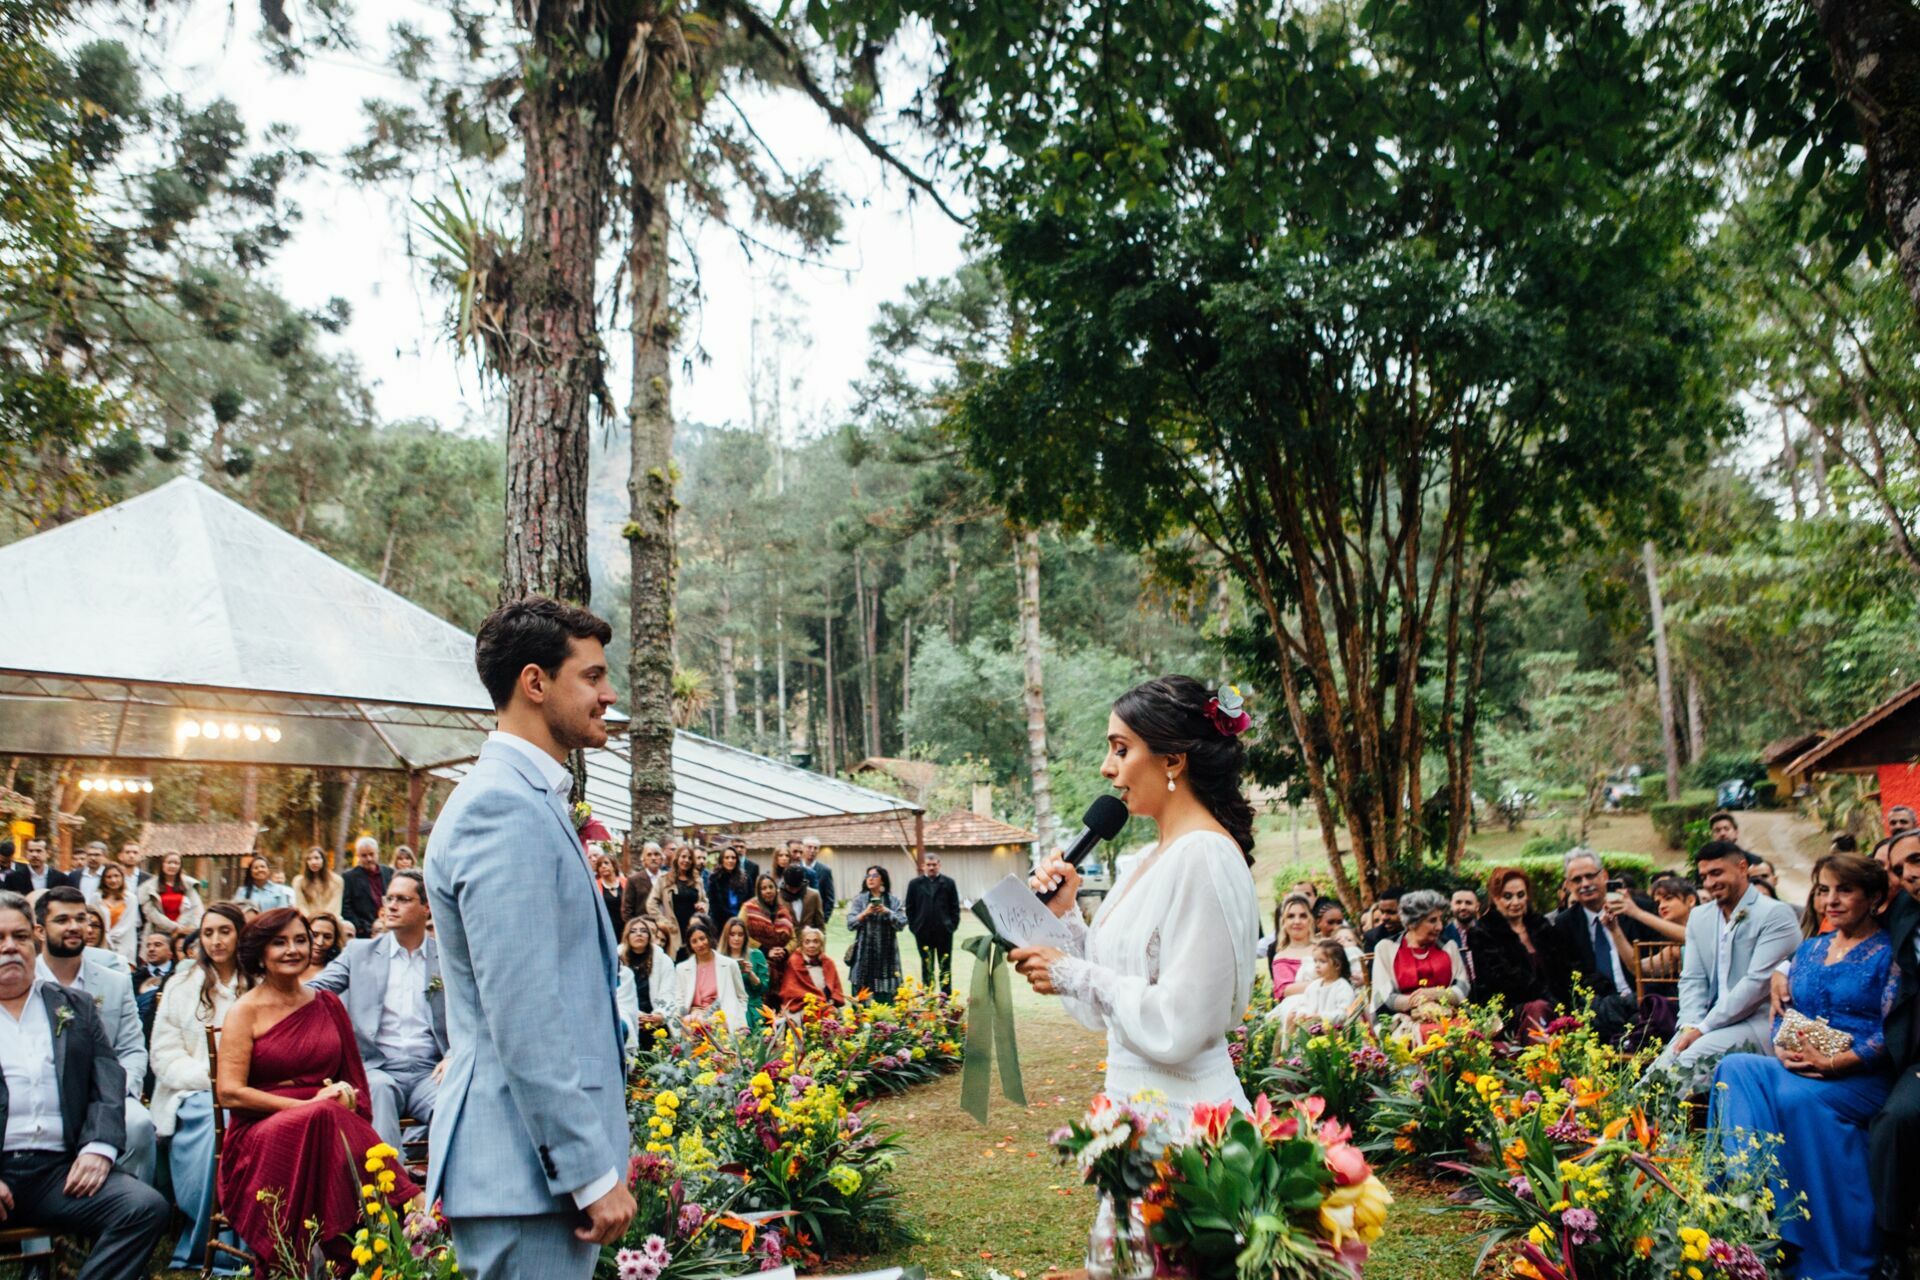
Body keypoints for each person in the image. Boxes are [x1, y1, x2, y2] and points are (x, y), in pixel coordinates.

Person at [423, 597, 634, 1277]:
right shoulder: (500, 807)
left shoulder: (530, 799)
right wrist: (585, 1169)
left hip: (528, 1175)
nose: (608, 695)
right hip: (523, 1172)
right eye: (593, 677)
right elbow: (523, 1013)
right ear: (535, 683)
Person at [1013, 675, 1261, 1112]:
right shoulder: (1146, 860)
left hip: (1188, 1120)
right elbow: (1100, 1011)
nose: (1107, 768)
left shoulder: (1204, 855)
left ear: (1172, 761)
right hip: (1129, 1113)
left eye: (1121, 749)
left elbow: (1181, 1023)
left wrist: (1073, 973)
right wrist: (1065, 916)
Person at [1712, 854, 1901, 1280]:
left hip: (1860, 1076)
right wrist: (1782, 1047)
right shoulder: (1812, 948)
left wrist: (1837, 1062)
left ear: (1873, 898)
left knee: (1792, 1099)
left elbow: (1895, 1031)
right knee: (1737, 1068)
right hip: (1801, 1064)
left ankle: (1811, 1244)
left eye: (1843, 890)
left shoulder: (1890, 953)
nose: (1830, 901)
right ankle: (1748, 1196)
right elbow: (1784, 1010)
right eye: (1822, 890)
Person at [216, 907, 421, 1272]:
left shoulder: (327, 1004)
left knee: (328, 1118)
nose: (293, 949)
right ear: (261, 952)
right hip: (262, 1132)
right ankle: (409, 1207)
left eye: (300, 940)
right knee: (324, 1116)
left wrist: (346, 1096)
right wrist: (305, 1105)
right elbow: (230, 1093)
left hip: (329, 1127)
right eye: (280, 943)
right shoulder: (243, 1011)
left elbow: (356, 1081)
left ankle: (352, 1254)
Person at [0, 890, 170, 1280]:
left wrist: (98, 1147)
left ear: (35, 939)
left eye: (20, 936)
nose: (10, 947)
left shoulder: (73, 1005)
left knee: (144, 1207)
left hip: (58, 1173)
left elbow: (107, 1081)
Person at [307, 869, 448, 1154]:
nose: (391, 906)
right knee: (379, 1094)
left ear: (427, 908)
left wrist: (456, 1054)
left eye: (403, 899)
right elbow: (314, 990)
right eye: (389, 898)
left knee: (455, 1105)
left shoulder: (445, 956)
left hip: (431, 1072)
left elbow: (474, 1008)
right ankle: (390, 1194)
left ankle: (444, 1195)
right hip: (378, 1068)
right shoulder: (359, 953)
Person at [1650, 840, 1802, 1086]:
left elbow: (1756, 984)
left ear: (1742, 868)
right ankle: (1626, 1121)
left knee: (1673, 1075)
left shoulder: (1775, 914)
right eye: (1704, 876)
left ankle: (1626, 1123)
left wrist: (1704, 1028)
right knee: (1659, 1071)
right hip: (1706, 1026)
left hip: (1761, 1026)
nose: (1709, 883)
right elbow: (1693, 979)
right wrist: (1690, 1024)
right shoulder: (1700, 917)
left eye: (1716, 873)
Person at [149, 904, 249, 1271]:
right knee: (220, 1117)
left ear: (240, 934)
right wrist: (214, 1079)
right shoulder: (182, 984)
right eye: (208, 933)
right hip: (190, 1093)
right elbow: (163, 1055)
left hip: (249, 1089)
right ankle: (216, 1240)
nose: (216, 940)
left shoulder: (256, 983)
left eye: (225, 931)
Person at [32, 888, 154, 1184]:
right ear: (39, 930)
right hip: (41, 1095)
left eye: (81, 919)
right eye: (62, 919)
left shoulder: (115, 983)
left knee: (138, 1123)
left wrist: (114, 1093)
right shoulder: (24, 982)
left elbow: (133, 1050)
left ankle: (129, 1208)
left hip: (105, 1094)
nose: (74, 927)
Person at [1865, 829, 1920, 1273]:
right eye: (1902, 869)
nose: (1911, 874)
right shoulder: (1903, 909)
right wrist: (1784, 967)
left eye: (1918, 860)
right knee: (1894, 1121)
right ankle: (1892, 1246)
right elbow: (1846, 930)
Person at [1546, 848, 1647, 1042]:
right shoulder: (1565, 924)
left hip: (1642, 1000)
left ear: (1604, 876)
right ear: (1567, 885)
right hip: (1599, 1010)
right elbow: (1569, 978)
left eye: (1590, 876)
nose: (1585, 884)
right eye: (1577, 880)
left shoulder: (1637, 910)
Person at [1467, 867, 1569, 1036]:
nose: (1515, 902)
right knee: (1538, 1009)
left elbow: (1562, 970)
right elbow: (1506, 979)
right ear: (1495, 898)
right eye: (1508, 896)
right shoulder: (1483, 932)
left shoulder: (1540, 926)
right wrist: (1549, 1000)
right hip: (1507, 1010)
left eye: (1520, 895)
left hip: (1552, 1003)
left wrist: (1563, 1003)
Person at [1370, 889, 1469, 1036]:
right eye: (1432, 920)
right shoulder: (1385, 948)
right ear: (1412, 923)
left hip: (1448, 1017)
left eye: (1440, 920)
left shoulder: (1449, 947)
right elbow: (1383, 997)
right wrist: (1419, 1002)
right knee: (1424, 1034)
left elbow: (1463, 989)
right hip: (1403, 1022)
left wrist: (1435, 994)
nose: (1440, 927)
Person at [673, 915, 749, 1029]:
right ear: (690, 946)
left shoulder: (729, 964)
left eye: (702, 938)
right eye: (694, 941)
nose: (700, 944)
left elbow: (742, 997)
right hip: (693, 1022)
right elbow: (679, 999)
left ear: (709, 938)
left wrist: (738, 1016)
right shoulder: (682, 968)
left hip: (724, 1021)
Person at [846, 865, 908, 1002]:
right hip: (863, 957)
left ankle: (885, 1022)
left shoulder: (893, 901)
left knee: (887, 1000)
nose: (870, 879)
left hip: (887, 957)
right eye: (868, 876)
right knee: (861, 1001)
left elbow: (902, 923)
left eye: (874, 876)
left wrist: (887, 911)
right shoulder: (859, 900)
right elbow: (850, 924)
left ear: (883, 880)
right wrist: (864, 913)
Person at [615, 917, 676, 1055]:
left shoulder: (663, 961)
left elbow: (668, 993)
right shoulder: (616, 960)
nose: (639, 934)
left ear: (649, 936)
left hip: (654, 1020)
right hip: (626, 1017)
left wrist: (660, 1015)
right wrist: (633, 1014)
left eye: (643, 931)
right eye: (633, 931)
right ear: (626, 936)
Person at [905, 853, 962, 995]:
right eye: (928, 865)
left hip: (944, 932)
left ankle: (945, 999)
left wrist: (951, 926)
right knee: (926, 965)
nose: (931, 867)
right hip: (923, 932)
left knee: (945, 966)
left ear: (939, 865)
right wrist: (915, 927)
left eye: (934, 865)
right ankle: (928, 997)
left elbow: (955, 907)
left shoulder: (949, 883)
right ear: (923, 866)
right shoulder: (914, 884)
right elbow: (909, 908)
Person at [1274, 939, 1357, 1034]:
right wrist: (1302, 1013)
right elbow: (1304, 1004)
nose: (1317, 965)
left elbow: (1344, 1013)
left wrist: (1321, 1017)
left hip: (1333, 1034)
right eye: (1315, 961)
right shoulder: (1314, 985)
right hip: (1311, 1031)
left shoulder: (1342, 987)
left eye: (1322, 961)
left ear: (1337, 965)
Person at [648, 845, 707, 961]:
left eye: (690, 858)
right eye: (683, 857)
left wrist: (703, 907)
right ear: (677, 858)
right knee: (675, 963)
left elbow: (704, 901)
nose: (686, 860)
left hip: (693, 928)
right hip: (673, 929)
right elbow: (651, 904)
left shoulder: (698, 881)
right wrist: (664, 922)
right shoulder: (664, 880)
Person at [779, 926, 849, 1011]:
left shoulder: (828, 962)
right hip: (802, 1007)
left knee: (834, 1018)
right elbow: (790, 991)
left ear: (821, 944)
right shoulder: (794, 961)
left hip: (827, 1005)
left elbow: (836, 989)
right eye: (807, 942)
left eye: (816, 942)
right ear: (801, 945)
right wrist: (815, 1002)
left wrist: (832, 1002)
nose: (811, 945)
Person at [717, 918, 769, 1029]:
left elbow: (764, 987)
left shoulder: (756, 955)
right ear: (727, 936)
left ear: (745, 936)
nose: (736, 938)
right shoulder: (719, 959)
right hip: (727, 1008)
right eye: (732, 934)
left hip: (752, 1008)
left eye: (740, 934)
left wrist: (750, 974)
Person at [137, 852, 201, 942]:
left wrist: (180, 928)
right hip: (157, 932)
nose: (172, 866)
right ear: (162, 864)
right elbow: (150, 912)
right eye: (169, 862)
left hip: (183, 933)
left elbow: (194, 907)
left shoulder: (188, 885)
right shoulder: (148, 887)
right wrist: (173, 927)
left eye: (176, 863)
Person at [740, 874, 795, 976]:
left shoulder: (784, 910)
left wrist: (785, 951)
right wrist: (766, 951)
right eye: (763, 888)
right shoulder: (748, 908)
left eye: (771, 887)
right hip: (756, 961)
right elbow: (741, 934)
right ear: (758, 891)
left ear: (776, 889)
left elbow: (794, 938)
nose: (768, 891)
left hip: (782, 963)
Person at [1265, 893, 1320, 998]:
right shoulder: (1280, 958)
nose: (1297, 921)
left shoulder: (1324, 948)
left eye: (1303, 916)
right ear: (1283, 922)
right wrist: (1325, 983)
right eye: (1291, 916)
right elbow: (1285, 990)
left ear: (1310, 920)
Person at [340, 836, 395, 938]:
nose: (369, 859)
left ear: (377, 853)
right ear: (358, 856)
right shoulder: (349, 877)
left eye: (371, 854)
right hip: (364, 931)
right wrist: (361, 927)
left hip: (389, 927)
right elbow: (346, 907)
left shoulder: (389, 873)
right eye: (364, 856)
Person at [94, 865, 136, 963]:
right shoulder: (96, 898)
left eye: (116, 876)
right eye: (109, 877)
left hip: (124, 944)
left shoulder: (131, 899)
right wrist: (104, 938)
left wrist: (110, 937)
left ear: (122, 877)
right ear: (103, 880)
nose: (113, 880)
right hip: (102, 945)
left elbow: (127, 924)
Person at [4, 838, 76, 894]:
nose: (34, 855)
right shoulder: (13, 878)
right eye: (31, 851)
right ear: (26, 853)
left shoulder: (61, 878)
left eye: (39, 851)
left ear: (48, 853)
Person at [704, 846, 752, 928]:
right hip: (720, 923)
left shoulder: (745, 879)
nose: (730, 860)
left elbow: (750, 901)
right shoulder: (714, 879)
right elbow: (714, 906)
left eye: (733, 858)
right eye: (727, 857)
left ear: (737, 860)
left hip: (742, 921)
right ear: (722, 860)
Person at [291, 847, 344, 920]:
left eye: (317, 858)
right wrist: (311, 920)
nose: (313, 862)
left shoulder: (337, 881)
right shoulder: (299, 881)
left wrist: (323, 920)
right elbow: (301, 905)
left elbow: (335, 905)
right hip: (307, 921)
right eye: (309, 859)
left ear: (323, 860)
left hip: (330, 920)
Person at [620, 842, 662, 929]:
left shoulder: (667, 878)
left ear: (662, 858)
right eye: (649, 855)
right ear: (643, 859)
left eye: (656, 854)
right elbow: (627, 910)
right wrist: (636, 928)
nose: (653, 858)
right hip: (644, 928)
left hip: (665, 928)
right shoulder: (634, 880)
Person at [777, 863, 826, 933]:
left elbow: (820, 925)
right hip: (786, 941)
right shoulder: (777, 897)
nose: (794, 891)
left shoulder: (814, 895)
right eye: (791, 888)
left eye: (797, 887)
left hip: (808, 941)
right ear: (785, 884)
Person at [300, 912, 344, 982]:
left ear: (335, 940)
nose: (319, 942)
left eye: (327, 937)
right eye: (314, 935)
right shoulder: (287, 965)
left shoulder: (337, 972)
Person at [800, 837, 836, 921]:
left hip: (816, 918)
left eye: (815, 848)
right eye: (809, 847)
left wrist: (824, 919)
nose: (812, 850)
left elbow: (829, 898)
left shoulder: (825, 871)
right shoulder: (796, 868)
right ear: (803, 848)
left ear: (818, 851)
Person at [1361, 887, 1404, 952]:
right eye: (1382, 912)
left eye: (1391, 912)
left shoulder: (1421, 933)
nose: (1384, 917)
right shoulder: (1373, 938)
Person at [592, 852, 626, 933]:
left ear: (614, 866)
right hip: (607, 927)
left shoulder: (625, 882)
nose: (603, 866)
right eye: (600, 865)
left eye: (606, 863)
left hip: (626, 925)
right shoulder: (595, 886)